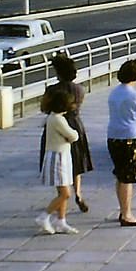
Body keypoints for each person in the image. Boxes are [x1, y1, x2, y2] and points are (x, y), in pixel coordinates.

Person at [40, 55, 93, 213]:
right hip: (75, 124)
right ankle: (77, 193)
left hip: (56, 127)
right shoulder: (79, 89)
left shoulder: (52, 90)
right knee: (76, 163)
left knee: (60, 165)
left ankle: (61, 196)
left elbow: (44, 109)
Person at [107, 59, 136, 227]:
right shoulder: (135, 95)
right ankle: (126, 214)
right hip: (130, 137)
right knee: (128, 177)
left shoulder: (113, 93)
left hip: (113, 136)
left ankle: (122, 209)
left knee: (120, 175)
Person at [36, 87, 80, 235]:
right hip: (58, 158)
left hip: (62, 156)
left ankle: (61, 221)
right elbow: (73, 136)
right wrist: (73, 134)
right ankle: (45, 216)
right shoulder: (58, 120)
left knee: (62, 190)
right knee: (65, 193)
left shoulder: (53, 117)